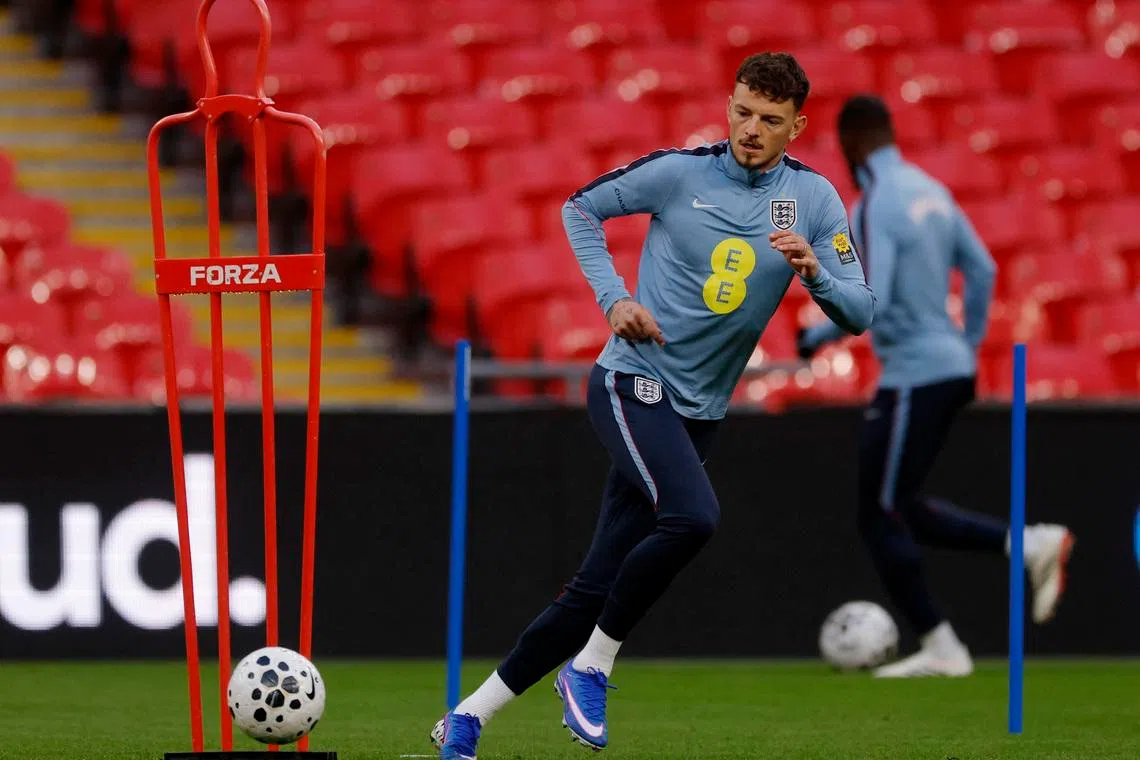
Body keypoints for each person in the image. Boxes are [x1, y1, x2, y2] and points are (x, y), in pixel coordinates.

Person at [431, 52, 874, 759]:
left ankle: (468, 718)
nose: (750, 129)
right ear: (727, 105)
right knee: (695, 517)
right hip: (632, 381)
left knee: (591, 589)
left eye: (768, 119)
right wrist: (615, 300)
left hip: (698, 412)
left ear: (797, 126)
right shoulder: (678, 174)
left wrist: (815, 273)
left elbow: (860, 311)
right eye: (741, 112)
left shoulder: (814, 201)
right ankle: (593, 665)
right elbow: (580, 207)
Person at [797, 95, 1075, 678]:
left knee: (878, 513)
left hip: (913, 375)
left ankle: (945, 646)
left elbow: (871, 299)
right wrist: (967, 346)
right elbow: (983, 270)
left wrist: (817, 335)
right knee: (902, 505)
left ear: (850, 144)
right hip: (948, 365)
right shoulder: (930, 189)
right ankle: (1026, 546)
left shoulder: (874, 202)